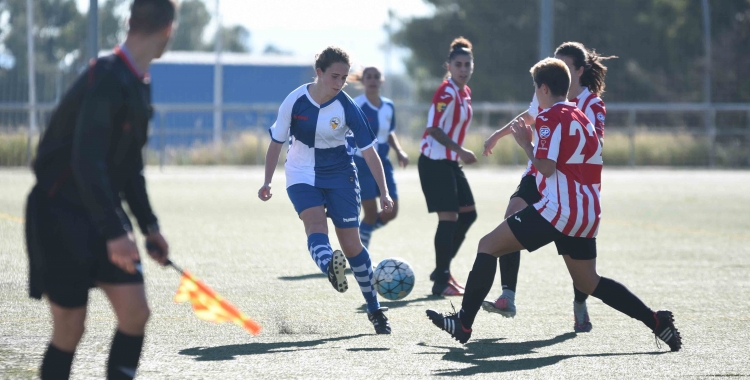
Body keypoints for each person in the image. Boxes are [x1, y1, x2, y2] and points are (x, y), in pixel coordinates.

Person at [426, 58, 682, 352]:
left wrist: (526, 144)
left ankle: (463, 323)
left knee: (487, 245)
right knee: (589, 282)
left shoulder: (549, 118)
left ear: (543, 88)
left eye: (535, 88)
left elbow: (546, 168)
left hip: (559, 210)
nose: (535, 94)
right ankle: (657, 322)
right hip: (587, 212)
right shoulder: (581, 116)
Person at [24, 1, 175, 378]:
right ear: (168, 30)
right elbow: (85, 161)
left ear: (130, 22)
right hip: (59, 214)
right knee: (70, 329)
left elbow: (129, 166)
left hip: (100, 212)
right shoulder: (107, 76)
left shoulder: (139, 81)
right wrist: (114, 231)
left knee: (135, 313)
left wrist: (148, 226)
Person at [481, 42, 616, 333]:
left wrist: (564, 139)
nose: (559, 70)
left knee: (576, 258)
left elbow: (597, 144)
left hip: (569, 183)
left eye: (565, 65)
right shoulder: (546, 89)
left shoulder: (591, 104)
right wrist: (498, 135)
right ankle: (508, 295)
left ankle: (580, 301)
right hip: (538, 172)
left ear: (578, 71)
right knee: (510, 217)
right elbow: (529, 117)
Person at [258, 46, 393, 334]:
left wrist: (384, 191)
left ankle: (375, 309)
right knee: (315, 223)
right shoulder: (294, 101)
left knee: (352, 246)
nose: (339, 83)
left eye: (344, 78)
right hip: (301, 174)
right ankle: (330, 266)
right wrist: (267, 181)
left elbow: (370, 153)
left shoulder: (347, 107)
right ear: (318, 72)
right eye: (334, 76)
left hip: (341, 176)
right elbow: (276, 143)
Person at [418, 37, 479, 297]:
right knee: (450, 218)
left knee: (468, 215)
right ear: (449, 66)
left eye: (467, 64)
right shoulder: (446, 91)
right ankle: (441, 280)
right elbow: (433, 129)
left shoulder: (465, 92)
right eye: (458, 64)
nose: (463, 69)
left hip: (449, 163)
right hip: (434, 162)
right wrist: (461, 150)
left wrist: (456, 154)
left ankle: (441, 269)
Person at [349, 66, 409, 249]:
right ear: (363, 80)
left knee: (391, 211)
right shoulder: (356, 104)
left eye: (377, 76)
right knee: (370, 213)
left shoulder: (389, 105)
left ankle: (358, 237)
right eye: (369, 77)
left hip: (384, 163)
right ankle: (360, 253)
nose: (373, 80)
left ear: (382, 80)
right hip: (362, 163)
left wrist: (399, 151)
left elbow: (389, 132)